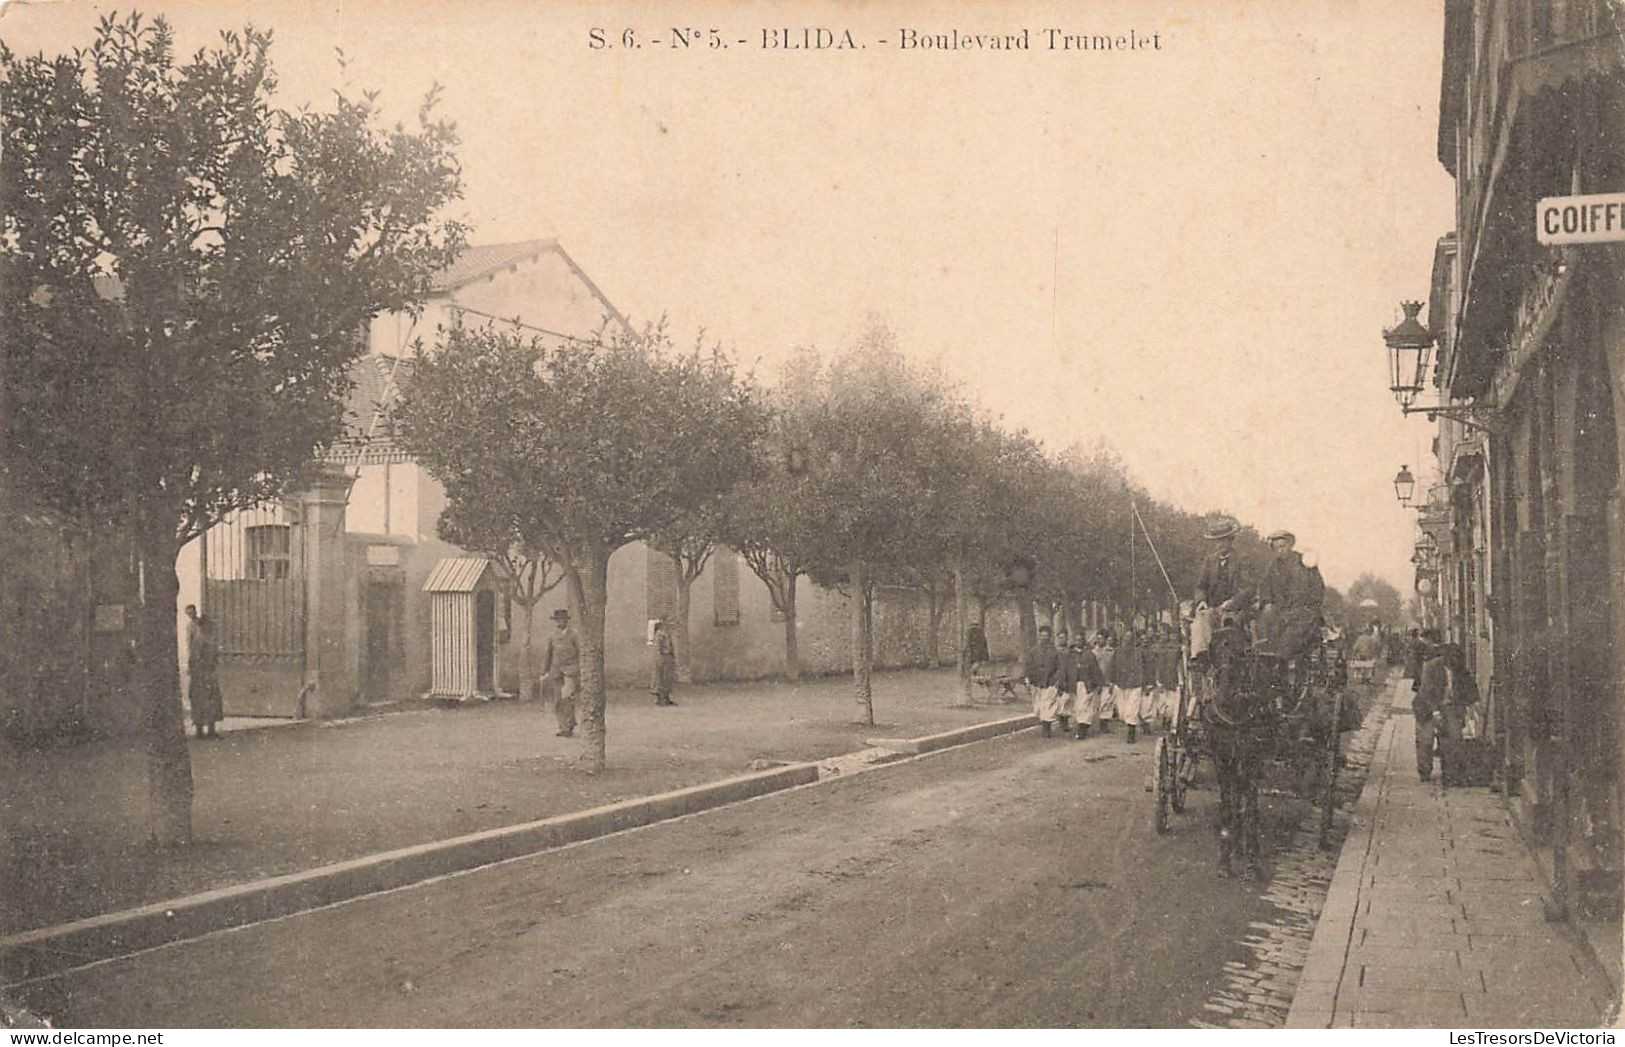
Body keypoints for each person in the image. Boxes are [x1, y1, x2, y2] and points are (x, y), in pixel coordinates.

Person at [1414, 641, 1480, 784]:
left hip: (1449, 706)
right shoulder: (1431, 667)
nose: (1454, 663)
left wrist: (1471, 706)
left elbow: (1471, 690)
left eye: (1457, 660)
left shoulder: (1461, 670)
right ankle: (1424, 771)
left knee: (1455, 736)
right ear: (1446, 658)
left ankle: (1450, 771)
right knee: (1426, 739)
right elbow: (1426, 692)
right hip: (1427, 707)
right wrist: (1435, 712)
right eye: (1452, 659)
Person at [185, 604, 223, 739]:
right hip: (198, 671)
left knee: (211, 698)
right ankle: (199, 730)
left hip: (207, 671)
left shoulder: (209, 638)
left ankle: (210, 729)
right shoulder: (191, 629)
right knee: (198, 699)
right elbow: (190, 649)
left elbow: (213, 653)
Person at [541, 608, 581, 737]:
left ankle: (569, 725)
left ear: (566, 621)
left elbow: (580, 653)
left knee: (567, 697)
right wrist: (545, 672)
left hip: (570, 671)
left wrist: (579, 669)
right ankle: (562, 726)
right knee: (558, 700)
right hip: (556, 671)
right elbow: (548, 654)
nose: (559, 623)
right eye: (557, 620)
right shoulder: (552, 636)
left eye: (562, 620)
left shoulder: (574, 635)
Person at [1024, 625, 1062, 737]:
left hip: (1049, 681)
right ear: (1039, 636)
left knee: (1048, 705)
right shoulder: (1033, 651)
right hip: (1036, 682)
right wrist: (1027, 678)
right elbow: (1028, 665)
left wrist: (1056, 679)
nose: (1044, 638)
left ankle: (1047, 727)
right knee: (1038, 706)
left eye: (1046, 636)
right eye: (1042, 636)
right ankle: (1044, 722)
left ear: (1049, 637)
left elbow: (1059, 667)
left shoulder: (1054, 652)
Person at [1069, 633, 1107, 739]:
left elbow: (1095, 670)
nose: (1078, 642)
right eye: (1076, 640)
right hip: (1074, 683)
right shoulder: (1071, 655)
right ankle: (1082, 726)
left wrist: (1098, 683)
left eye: (1080, 640)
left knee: (1084, 705)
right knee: (1077, 707)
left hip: (1086, 683)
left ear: (1083, 642)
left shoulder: (1089, 655)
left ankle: (1083, 728)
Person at [1114, 626, 1146, 743]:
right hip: (1121, 683)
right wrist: (1112, 681)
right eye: (1125, 638)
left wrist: (1143, 682)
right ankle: (1133, 723)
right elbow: (1113, 667)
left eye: (1130, 638)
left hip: (1134, 684)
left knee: (1132, 709)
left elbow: (1143, 668)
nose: (1127, 641)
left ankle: (1131, 733)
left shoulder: (1138, 653)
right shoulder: (1117, 652)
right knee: (1122, 712)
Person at [650, 618, 678, 706]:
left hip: (668, 657)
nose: (671, 625)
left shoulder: (667, 634)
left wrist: (673, 656)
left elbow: (670, 646)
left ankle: (666, 697)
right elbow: (658, 648)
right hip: (662, 657)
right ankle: (660, 699)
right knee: (660, 678)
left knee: (668, 678)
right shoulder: (660, 634)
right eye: (669, 623)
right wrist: (659, 659)